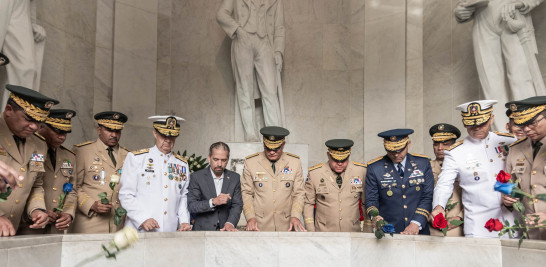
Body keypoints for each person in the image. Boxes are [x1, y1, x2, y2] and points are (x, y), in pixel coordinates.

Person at [453, 0, 544, 130]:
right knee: (490, 83)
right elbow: (464, 4)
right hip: (482, 16)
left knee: (520, 77)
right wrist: (460, 12)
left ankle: (530, 131)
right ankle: (502, 137)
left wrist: (522, 3)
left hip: (510, 12)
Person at [432, 100, 517, 238]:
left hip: (512, 221)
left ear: (491, 119)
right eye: (471, 124)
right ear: (464, 122)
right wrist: (439, 206)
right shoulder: (455, 152)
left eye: (481, 123)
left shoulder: (509, 141)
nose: (477, 127)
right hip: (479, 226)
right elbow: (444, 184)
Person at [216, 0, 285, 141]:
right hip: (243, 39)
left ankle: (274, 135)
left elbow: (280, 27)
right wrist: (237, 29)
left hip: (266, 42)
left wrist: (278, 50)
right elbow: (221, 14)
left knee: (270, 90)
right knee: (244, 88)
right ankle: (250, 133)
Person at [0, 84, 58, 236]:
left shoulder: (39, 144)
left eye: (40, 122)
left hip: (13, 231)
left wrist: (37, 209)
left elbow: (36, 185)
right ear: (8, 110)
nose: (34, 126)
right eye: (28, 119)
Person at [119, 116, 192, 232]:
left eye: (172, 136)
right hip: (139, 229)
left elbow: (182, 197)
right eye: (164, 135)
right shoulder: (137, 158)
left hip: (169, 230)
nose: (168, 140)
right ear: (155, 133)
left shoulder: (182, 164)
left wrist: (184, 221)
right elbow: (125, 195)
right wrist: (142, 219)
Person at [18, 109, 77, 234]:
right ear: (41, 127)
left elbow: (72, 189)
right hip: (29, 225)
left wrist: (68, 213)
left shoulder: (69, 156)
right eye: (57, 131)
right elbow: (23, 187)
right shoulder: (27, 150)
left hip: (56, 227)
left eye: (65, 133)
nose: (62, 136)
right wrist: (38, 211)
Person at [365, 129, 434, 235]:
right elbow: (371, 199)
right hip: (388, 232)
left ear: (408, 144)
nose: (396, 155)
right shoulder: (375, 168)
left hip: (419, 230)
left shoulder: (423, 163)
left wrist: (416, 223)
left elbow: (427, 196)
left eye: (400, 150)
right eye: (391, 151)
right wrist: (375, 217)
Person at [71, 111, 129, 233]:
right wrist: (90, 204)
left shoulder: (128, 155)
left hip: (118, 223)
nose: (114, 135)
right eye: (109, 130)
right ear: (99, 130)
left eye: (117, 131)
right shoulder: (83, 151)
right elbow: (72, 186)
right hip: (90, 222)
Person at [241, 126, 305, 231]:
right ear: (263, 144)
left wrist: (296, 216)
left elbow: (299, 193)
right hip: (259, 225)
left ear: (283, 145)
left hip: (287, 224)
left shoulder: (294, 162)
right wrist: (250, 217)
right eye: (268, 148)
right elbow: (246, 193)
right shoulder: (251, 162)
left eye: (276, 148)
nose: (271, 152)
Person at [503, 96, 546, 240]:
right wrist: (506, 197)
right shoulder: (515, 149)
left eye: (532, 123)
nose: (526, 129)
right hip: (532, 234)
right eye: (522, 124)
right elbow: (508, 183)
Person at [303, 139, 368, 232]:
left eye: (344, 160)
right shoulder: (315, 173)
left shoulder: (361, 171)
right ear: (328, 155)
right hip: (324, 232)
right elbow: (308, 204)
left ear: (349, 155)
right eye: (335, 159)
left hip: (352, 231)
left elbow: (365, 204)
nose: (340, 163)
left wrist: (367, 231)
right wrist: (311, 231)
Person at [188, 142, 243, 231]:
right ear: (209, 158)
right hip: (202, 231)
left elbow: (237, 205)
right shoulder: (197, 177)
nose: (219, 164)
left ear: (228, 160)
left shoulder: (235, 178)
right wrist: (213, 202)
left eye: (223, 160)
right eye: (216, 159)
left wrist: (230, 223)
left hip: (225, 230)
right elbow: (192, 205)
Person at [428, 123, 464, 236]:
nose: (440, 148)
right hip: (432, 227)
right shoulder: (426, 167)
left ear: (454, 145)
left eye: (445, 144)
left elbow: (474, 196)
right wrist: (430, 216)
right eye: (436, 144)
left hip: (458, 227)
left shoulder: (465, 167)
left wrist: (460, 217)